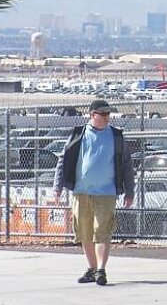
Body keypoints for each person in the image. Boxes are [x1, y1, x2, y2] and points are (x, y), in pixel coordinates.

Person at [52, 99, 134, 286]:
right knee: (85, 233)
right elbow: (62, 162)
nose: (106, 117)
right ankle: (91, 268)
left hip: (106, 193)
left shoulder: (116, 136)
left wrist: (130, 192)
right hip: (81, 193)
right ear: (92, 115)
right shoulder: (79, 134)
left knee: (102, 232)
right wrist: (57, 187)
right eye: (102, 114)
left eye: (108, 114)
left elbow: (128, 166)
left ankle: (101, 270)